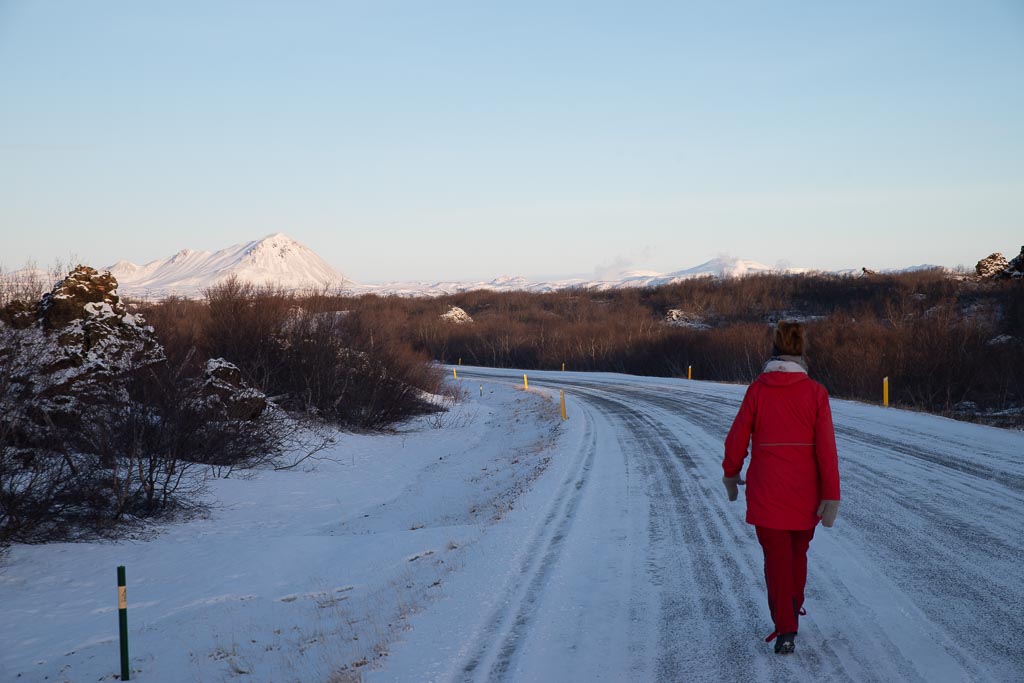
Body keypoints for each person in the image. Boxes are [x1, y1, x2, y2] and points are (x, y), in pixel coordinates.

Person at [722, 320, 841, 655]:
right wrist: (831, 495)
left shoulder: (757, 390)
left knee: (776, 559)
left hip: (767, 492)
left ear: (773, 351)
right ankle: (792, 608)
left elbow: (737, 438)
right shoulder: (816, 393)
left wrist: (731, 474)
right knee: (797, 554)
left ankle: (785, 626)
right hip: (806, 494)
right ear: (802, 353)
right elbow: (827, 450)